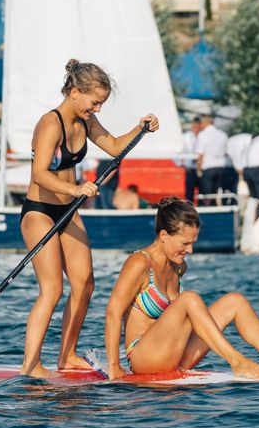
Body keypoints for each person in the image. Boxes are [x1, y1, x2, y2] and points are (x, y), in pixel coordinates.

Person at [21, 59, 160, 378]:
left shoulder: (85, 121)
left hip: (68, 211)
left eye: (101, 103)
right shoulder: (50, 123)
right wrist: (75, 188)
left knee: (84, 283)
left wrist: (141, 129)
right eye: (94, 101)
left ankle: (67, 356)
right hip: (39, 212)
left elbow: (113, 146)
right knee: (52, 288)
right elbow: (40, 174)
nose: (96, 108)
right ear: (74, 92)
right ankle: (30, 365)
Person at [103, 198, 259, 380]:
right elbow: (113, 312)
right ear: (164, 235)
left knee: (234, 301)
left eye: (193, 242)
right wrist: (113, 367)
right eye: (185, 243)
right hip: (144, 358)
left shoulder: (177, 265)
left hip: (176, 354)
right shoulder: (139, 263)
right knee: (189, 299)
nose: (190, 250)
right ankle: (236, 361)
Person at [195, 115, 231, 206]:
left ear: (206, 122)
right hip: (221, 167)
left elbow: (200, 154)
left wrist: (198, 169)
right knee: (216, 193)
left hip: (208, 167)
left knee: (207, 195)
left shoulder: (203, 135)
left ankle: (208, 212)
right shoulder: (223, 134)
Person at [180, 116, 203, 203]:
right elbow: (178, 151)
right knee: (189, 194)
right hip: (190, 168)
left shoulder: (203, 136)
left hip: (201, 168)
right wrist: (181, 164)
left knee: (202, 193)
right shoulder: (185, 137)